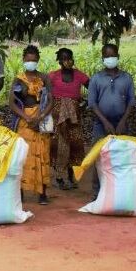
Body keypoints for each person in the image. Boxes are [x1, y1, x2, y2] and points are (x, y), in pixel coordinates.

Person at [88, 44, 135, 199]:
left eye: (112, 55)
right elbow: (92, 104)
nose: (110, 59)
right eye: (107, 56)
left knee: (122, 158)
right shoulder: (96, 78)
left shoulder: (127, 78)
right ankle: (97, 193)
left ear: (118, 56)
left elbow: (130, 102)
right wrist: (105, 122)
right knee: (99, 157)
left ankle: (120, 191)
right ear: (102, 58)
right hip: (101, 124)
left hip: (122, 123)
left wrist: (122, 121)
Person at [10, 45, 54, 205]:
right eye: (28, 60)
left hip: (41, 119)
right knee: (23, 156)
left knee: (43, 154)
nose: (31, 62)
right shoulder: (18, 79)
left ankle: (43, 193)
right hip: (24, 121)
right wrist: (26, 118)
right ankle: (20, 192)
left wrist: (41, 117)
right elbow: (12, 103)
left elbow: (51, 101)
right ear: (23, 60)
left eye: (34, 60)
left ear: (38, 60)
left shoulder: (44, 78)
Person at [47, 48, 89, 190]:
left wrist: (86, 103)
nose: (68, 61)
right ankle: (58, 178)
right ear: (59, 61)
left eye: (69, 58)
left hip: (74, 118)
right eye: (64, 58)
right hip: (58, 118)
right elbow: (42, 92)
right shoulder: (53, 76)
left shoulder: (79, 76)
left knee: (74, 145)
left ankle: (71, 177)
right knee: (58, 146)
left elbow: (93, 87)